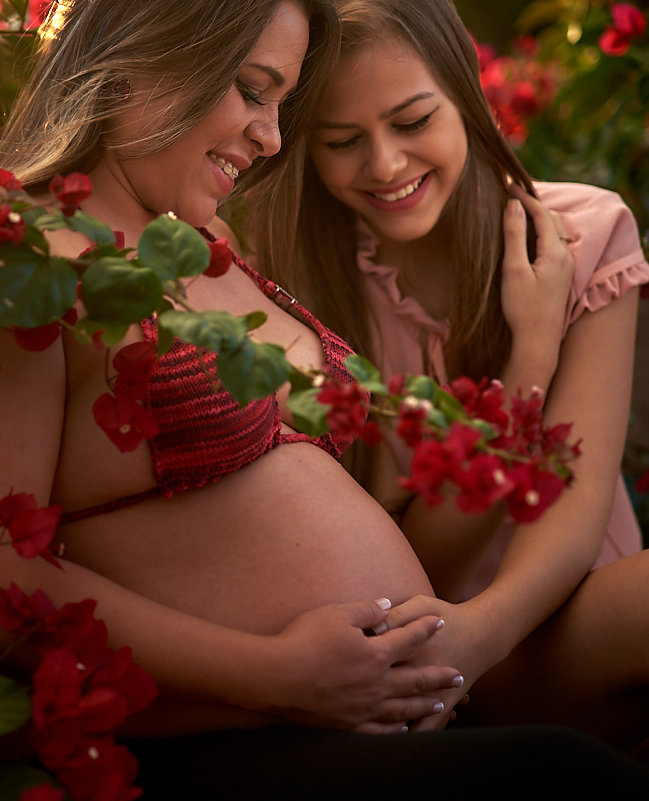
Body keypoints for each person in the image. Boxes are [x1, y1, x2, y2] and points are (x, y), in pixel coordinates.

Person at [0, 0, 649, 792]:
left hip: (386, 701)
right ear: (148, 52)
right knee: (568, 775)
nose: (272, 136)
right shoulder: (5, 246)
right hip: (236, 727)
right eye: (254, 92)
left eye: (282, 104)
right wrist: (276, 675)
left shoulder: (208, 252)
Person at [245, 0, 649, 749]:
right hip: (439, 645)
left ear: (466, 94)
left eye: (411, 121)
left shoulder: (582, 234)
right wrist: (528, 361)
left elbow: (580, 498)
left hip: (566, 614)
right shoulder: (301, 289)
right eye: (342, 141)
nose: (386, 166)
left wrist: (484, 634)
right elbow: (423, 564)